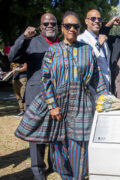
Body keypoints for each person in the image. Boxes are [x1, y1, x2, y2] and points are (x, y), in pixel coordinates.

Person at [15, 11, 107, 179]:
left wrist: (105, 100)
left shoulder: (87, 50)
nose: (71, 29)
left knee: (79, 152)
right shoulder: (53, 50)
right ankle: (65, 176)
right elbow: (46, 79)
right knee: (58, 153)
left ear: (79, 29)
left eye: (75, 26)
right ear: (62, 28)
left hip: (81, 105)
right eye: (67, 26)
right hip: (57, 108)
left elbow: (97, 78)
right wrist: (52, 105)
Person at [9, 13, 59, 179]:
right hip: (36, 96)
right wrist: (23, 37)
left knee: (55, 134)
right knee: (36, 139)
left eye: (53, 23)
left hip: (58, 97)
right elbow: (13, 56)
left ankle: (54, 165)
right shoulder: (31, 42)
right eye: (46, 24)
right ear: (40, 25)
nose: (49, 26)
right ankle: (38, 171)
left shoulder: (63, 42)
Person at [77, 9, 116, 91]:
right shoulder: (81, 39)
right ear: (86, 21)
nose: (97, 21)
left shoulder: (102, 39)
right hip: (91, 89)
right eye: (93, 19)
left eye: (99, 19)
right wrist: (98, 45)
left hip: (106, 89)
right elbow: (84, 63)